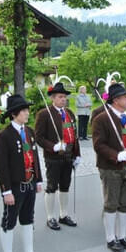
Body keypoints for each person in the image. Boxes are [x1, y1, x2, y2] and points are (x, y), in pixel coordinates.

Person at [0, 94, 47, 252]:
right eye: (24, 110)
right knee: (9, 222)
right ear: (14, 113)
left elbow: (34, 158)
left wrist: (38, 179)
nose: (27, 113)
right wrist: (6, 191)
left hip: (30, 184)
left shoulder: (30, 132)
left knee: (28, 220)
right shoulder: (4, 136)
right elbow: (1, 167)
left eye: (27, 110)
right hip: (14, 187)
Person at [92, 83, 126, 252]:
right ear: (115, 100)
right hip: (111, 167)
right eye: (124, 97)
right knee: (111, 203)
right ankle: (110, 238)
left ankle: (122, 236)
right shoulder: (102, 119)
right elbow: (98, 145)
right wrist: (116, 155)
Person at [35, 82, 81, 230]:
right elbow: (39, 137)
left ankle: (63, 214)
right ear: (53, 98)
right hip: (53, 157)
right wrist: (52, 146)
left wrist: (77, 154)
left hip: (68, 156)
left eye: (65, 97)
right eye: (60, 97)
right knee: (52, 186)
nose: (64, 99)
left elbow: (74, 135)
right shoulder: (44, 114)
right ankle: (50, 217)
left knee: (65, 185)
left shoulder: (69, 113)